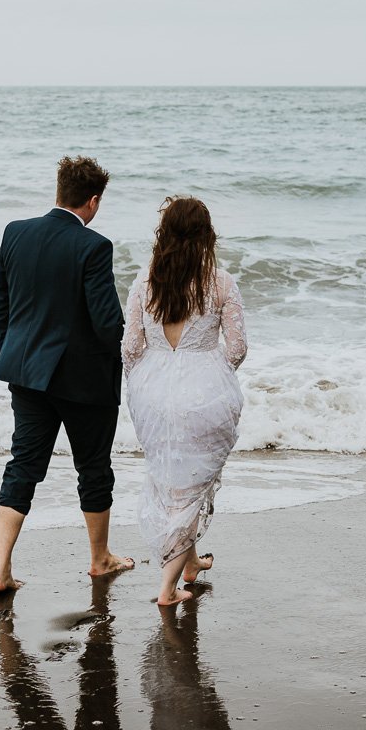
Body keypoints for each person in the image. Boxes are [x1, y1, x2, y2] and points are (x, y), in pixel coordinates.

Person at [0, 156, 134, 592]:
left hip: (26, 371)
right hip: (83, 379)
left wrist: (13, 352)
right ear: (92, 201)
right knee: (93, 469)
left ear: (59, 190)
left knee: (23, 465)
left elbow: (3, 305)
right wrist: (126, 361)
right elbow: (107, 322)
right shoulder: (93, 246)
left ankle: (0, 570)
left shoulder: (15, 232)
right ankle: (99, 559)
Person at [121, 197, 247, 606]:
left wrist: (149, 381)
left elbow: (131, 347)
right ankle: (166, 589)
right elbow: (238, 348)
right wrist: (212, 374)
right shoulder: (221, 282)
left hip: (153, 391)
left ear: (165, 233)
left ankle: (190, 565)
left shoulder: (144, 281)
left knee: (172, 479)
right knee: (190, 489)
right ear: (207, 235)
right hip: (204, 388)